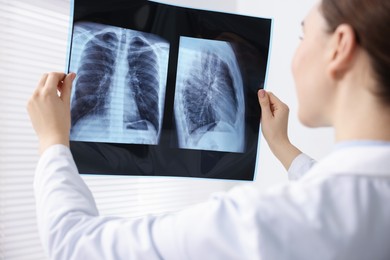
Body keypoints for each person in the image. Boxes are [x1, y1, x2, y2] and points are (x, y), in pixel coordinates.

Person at [27, 0, 390, 259]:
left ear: (340, 46)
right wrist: (281, 145)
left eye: (302, 36)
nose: (295, 57)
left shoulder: (259, 222)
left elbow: (74, 246)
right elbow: (342, 196)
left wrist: (53, 142)